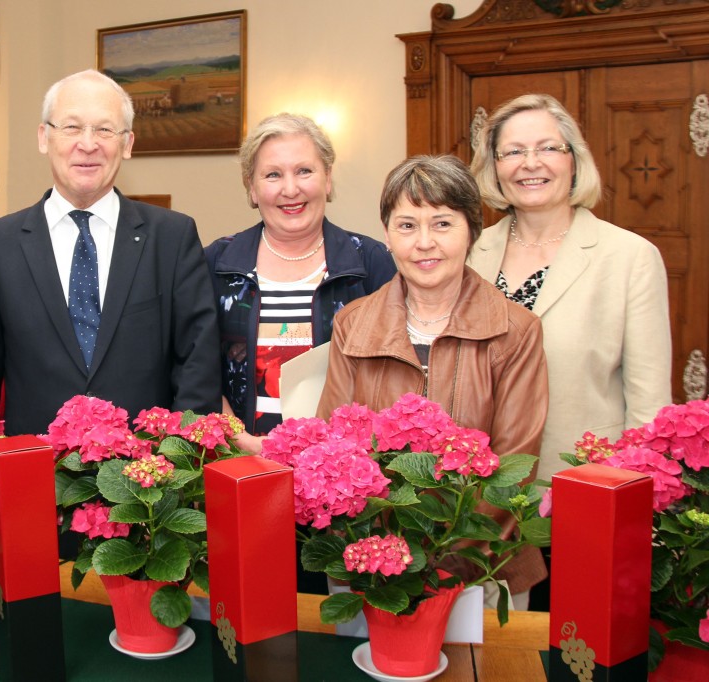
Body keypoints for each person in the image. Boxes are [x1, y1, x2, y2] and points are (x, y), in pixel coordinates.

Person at [316, 155, 549, 602]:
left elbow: (515, 469)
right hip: (372, 567)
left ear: (471, 232)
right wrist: (382, 557)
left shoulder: (516, 331)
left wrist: (437, 562)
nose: (424, 243)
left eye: (442, 224)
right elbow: (334, 448)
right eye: (407, 226)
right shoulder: (353, 324)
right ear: (387, 234)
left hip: (478, 568)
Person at [0, 69, 220, 436]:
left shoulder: (172, 237)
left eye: (104, 130)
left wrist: (176, 465)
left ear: (127, 143)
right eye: (71, 127)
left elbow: (198, 362)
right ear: (43, 137)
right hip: (34, 474)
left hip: (147, 476)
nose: (88, 144)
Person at [468, 93, 672, 482]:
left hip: (585, 481)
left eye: (548, 148)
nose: (531, 163)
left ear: (574, 161)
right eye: (512, 152)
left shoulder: (630, 257)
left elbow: (649, 409)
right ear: (494, 169)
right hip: (478, 496)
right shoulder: (470, 253)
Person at [205, 113, 395, 453]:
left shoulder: (370, 262)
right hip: (240, 460)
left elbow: (395, 373)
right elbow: (193, 366)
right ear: (251, 187)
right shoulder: (216, 265)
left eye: (304, 171)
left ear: (328, 179)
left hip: (347, 466)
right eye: (273, 174)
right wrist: (241, 441)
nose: (290, 189)